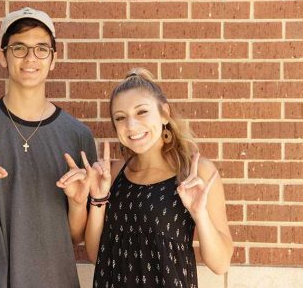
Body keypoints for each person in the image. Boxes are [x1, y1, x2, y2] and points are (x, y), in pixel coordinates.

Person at [0, 7, 97, 288]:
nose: (30, 58)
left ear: (53, 59)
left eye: (41, 49)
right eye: (19, 48)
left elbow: (75, 236)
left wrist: (75, 203)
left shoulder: (78, 136)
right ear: (3, 56)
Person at [57, 68, 233, 287]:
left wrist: (201, 215)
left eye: (141, 112)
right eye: (121, 118)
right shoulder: (112, 174)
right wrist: (98, 199)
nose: (131, 125)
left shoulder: (196, 172)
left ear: (164, 113)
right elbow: (96, 256)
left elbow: (221, 264)